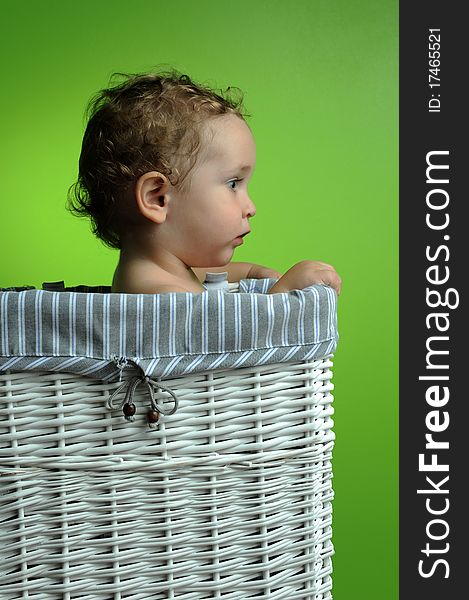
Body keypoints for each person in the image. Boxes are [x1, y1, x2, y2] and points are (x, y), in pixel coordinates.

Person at [68, 70, 341, 295]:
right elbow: (233, 341)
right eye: (233, 184)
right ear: (157, 198)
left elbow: (200, 277)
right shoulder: (163, 296)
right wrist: (281, 294)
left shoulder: (167, 273)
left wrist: (252, 273)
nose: (251, 207)